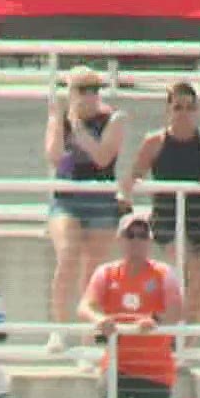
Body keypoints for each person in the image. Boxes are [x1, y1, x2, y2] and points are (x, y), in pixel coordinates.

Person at [122, 82, 200, 323]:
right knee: (180, 270)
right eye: (178, 107)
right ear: (168, 110)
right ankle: (173, 331)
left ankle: (188, 341)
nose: (183, 113)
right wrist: (125, 199)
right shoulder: (154, 142)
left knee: (197, 281)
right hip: (167, 216)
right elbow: (135, 174)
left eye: (189, 108)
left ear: (197, 110)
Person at [72, 212, 186, 398]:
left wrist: (155, 321)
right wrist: (98, 319)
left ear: (149, 241)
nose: (136, 241)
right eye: (130, 235)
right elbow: (85, 306)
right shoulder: (106, 273)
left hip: (154, 369)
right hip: (117, 365)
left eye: (142, 235)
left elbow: (177, 309)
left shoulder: (163, 273)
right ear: (120, 240)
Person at [45, 66, 127, 328]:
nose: (89, 95)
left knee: (93, 269)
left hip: (101, 198)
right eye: (82, 89)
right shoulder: (59, 118)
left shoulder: (114, 118)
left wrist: (80, 129)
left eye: (94, 88)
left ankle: (87, 334)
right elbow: (54, 156)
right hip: (68, 197)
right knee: (68, 256)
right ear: (70, 92)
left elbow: (103, 158)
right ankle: (58, 329)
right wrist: (61, 121)